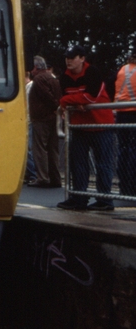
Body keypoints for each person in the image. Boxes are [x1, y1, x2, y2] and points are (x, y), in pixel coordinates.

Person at [57, 45, 116, 211]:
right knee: (78, 163)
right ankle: (79, 198)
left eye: (73, 57)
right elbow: (64, 98)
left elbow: (91, 97)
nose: (69, 60)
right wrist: (76, 101)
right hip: (80, 125)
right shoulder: (65, 77)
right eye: (67, 57)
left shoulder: (92, 72)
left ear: (82, 58)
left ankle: (105, 200)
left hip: (101, 125)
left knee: (103, 164)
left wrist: (71, 101)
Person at [27, 56, 63, 188]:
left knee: (39, 148)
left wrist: (53, 106)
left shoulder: (38, 79)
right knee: (53, 149)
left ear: (36, 67)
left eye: (32, 67)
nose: (31, 71)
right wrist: (57, 109)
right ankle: (55, 177)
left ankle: (42, 177)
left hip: (41, 118)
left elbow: (46, 95)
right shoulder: (52, 77)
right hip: (53, 117)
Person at [114, 51, 136, 196]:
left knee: (123, 149)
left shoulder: (123, 70)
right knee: (133, 150)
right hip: (134, 111)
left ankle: (124, 186)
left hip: (121, 112)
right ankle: (133, 185)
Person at [23, 72, 37, 184]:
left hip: (28, 120)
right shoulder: (27, 87)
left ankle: (33, 174)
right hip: (28, 120)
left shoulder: (29, 87)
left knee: (28, 149)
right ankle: (30, 174)